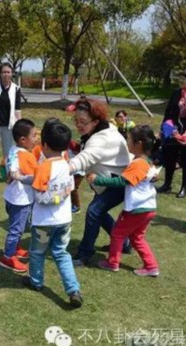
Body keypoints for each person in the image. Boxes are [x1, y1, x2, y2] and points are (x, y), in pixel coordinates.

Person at [20, 118, 83, 307]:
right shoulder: (67, 165)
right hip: (64, 220)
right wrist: (21, 178)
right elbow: (69, 187)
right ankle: (73, 289)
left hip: (44, 222)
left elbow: (40, 197)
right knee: (61, 253)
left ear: (44, 145)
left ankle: (36, 282)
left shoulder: (44, 167)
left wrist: (56, 197)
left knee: (37, 252)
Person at [89, 125, 160, 277]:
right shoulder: (146, 160)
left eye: (128, 140)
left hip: (137, 209)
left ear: (138, 144)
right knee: (137, 237)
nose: (126, 142)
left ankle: (112, 262)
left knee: (118, 233)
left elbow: (121, 182)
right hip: (148, 208)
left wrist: (98, 180)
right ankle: (151, 266)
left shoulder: (138, 164)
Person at [69, 99, 133, 267]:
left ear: (96, 121)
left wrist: (59, 170)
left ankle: (84, 254)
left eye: (83, 122)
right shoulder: (102, 128)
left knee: (94, 211)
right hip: (106, 179)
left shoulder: (101, 138)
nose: (78, 125)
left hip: (115, 181)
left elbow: (85, 158)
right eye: (76, 120)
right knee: (99, 212)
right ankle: (124, 242)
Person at [157, 70, 186, 198]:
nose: (181, 80)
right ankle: (167, 184)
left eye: (184, 78)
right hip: (172, 129)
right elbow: (168, 111)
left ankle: (184, 187)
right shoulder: (176, 92)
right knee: (169, 157)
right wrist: (163, 127)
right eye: (181, 78)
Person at [0, 119, 39, 273]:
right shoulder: (23, 155)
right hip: (20, 199)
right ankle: (8, 257)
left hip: (11, 196)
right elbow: (16, 171)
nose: (36, 138)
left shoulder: (13, 149)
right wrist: (15, 175)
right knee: (17, 229)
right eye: (34, 135)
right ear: (23, 139)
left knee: (15, 225)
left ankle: (15, 248)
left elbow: (8, 166)